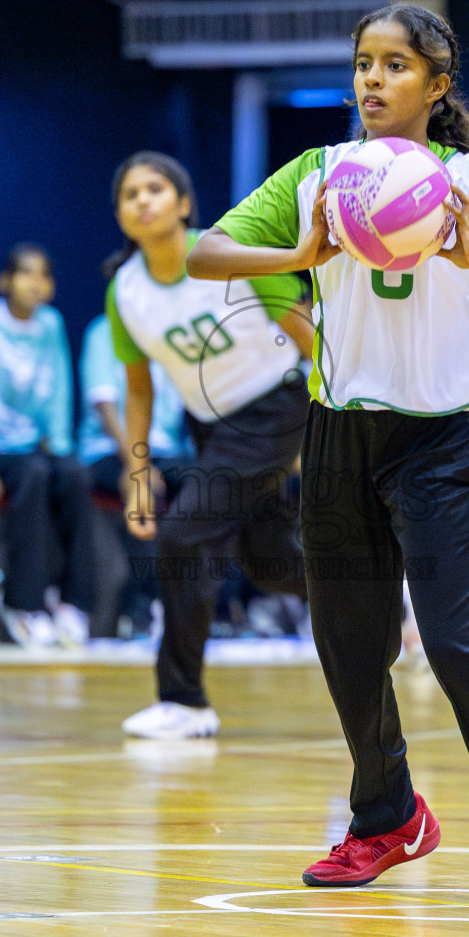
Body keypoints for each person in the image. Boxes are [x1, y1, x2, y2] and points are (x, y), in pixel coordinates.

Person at [188, 5, 469, 907]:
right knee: (348, 639)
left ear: (437, 85)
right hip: (340, 431)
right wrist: (299, 251)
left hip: (440, 438)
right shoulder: (318, 175)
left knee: (459, 644)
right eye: (362, 64)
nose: (372, 80)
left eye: (393, 65)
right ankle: (387, 819)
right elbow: (206, 252)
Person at [107, 150, 314, 741]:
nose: (143, 200)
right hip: (210, 424)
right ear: (121, 215)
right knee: (271, 562)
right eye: (130, 193)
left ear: (184, 203)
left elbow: (309, 336)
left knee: (183, 534)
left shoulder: (231, 254)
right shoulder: (125, 292)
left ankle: (185, 700)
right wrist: (138, 470)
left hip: (275, 404)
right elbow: (139, 388)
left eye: (155, 188)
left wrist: (346, 415)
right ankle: (379, 596)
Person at [0, 243, 95, 648]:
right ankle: (22, 602)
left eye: (44, 275)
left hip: (30, 443)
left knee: (75, 474)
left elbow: (60, 387)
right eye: (25, 273)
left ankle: (72, 602)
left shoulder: (51, 325)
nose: (35, 283)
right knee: (35, 474)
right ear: (4, 281)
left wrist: (61, 444)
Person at [77, 309, 191, 638]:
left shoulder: (172, 326)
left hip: (167, 450)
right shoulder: (103, 332)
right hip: (111, 448)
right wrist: (135, 463)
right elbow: (105, 405)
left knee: (208, 489)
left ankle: (212, 609)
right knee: (143, 488)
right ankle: (140, 611)